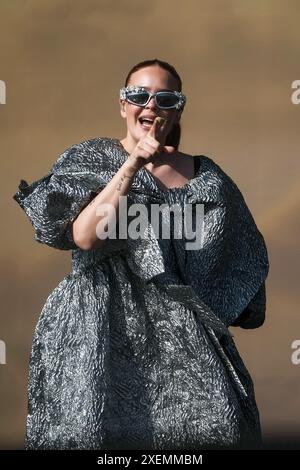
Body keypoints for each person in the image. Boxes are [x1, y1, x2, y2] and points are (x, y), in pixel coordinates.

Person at [13, 58, 269, 450]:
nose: (150, 106)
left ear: (178, 109)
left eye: (164, 98)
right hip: (97, 323)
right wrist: (132, 165)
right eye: (139, 95)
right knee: (91, 432)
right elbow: (84, 236)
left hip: (180, 329)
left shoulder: (207, 178)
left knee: (221, 423)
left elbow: (235, 256)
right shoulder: (91, 160)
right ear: (123, 105)